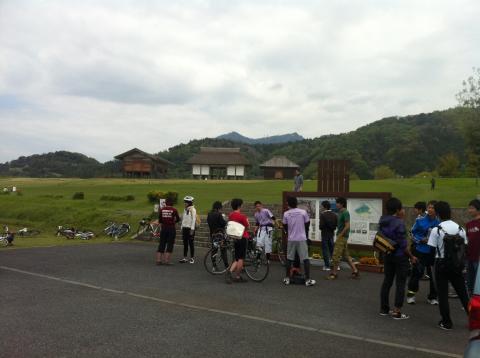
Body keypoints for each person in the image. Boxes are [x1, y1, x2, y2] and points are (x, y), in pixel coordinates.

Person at [427, 201, 469, 330]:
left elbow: (431, 249)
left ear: (438, 214)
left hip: (441, 264)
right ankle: (475, 321)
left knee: (443, 294)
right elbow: (464, 247)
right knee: (463, 294)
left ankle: (446, 322)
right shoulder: (460, 229)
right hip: (457, 264)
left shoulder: (437, 230)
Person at [379, 197, 417, 320]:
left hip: (387, 254)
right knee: (400, 283)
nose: (403, 211)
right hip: (400, 257)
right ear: (397, 209)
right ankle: (397, 311)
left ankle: (384, 309)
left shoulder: (382, 220)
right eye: (402, 209)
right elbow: (403, 245)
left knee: (387, 281)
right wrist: (411, 256)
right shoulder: (399, 223)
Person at [407, 201, 439, 305]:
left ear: (437, 210)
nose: (430, 209)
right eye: (429, 207)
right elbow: (411, 233)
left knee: (433, 275)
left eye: (433, 208)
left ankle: (432, 297)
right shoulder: (420, 220)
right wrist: (420, 240)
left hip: (433, 252)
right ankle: (411, 295)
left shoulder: (439, 223)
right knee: (417, 273)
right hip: (420, 251)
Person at [282, 196, 316, 286]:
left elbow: (285, 226)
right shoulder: (303, 212)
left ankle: (287, 278)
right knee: (305, 259)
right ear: (296, 203)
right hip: (301, 238)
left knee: (289, 258)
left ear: (288, 204)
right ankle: (308, 279)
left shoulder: (286, 214)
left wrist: (291, 231)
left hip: (291, 238)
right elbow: (307, 224)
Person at [327, 197, 359, 279]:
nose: (336, 204)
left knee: (336, 254)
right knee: (346, 255)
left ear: (341, 204)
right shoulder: (340, 212)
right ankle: (355, 271)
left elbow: (347, 226)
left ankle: (334, 273)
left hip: (342, 237)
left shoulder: (345, 212)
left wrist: (340, 235)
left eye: (337, 203)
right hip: (341, 236)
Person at [225, 198, 249, 284]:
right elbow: (247, 226)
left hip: (235, 237)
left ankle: (229, 272)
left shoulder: (231, 215)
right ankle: (238, 276)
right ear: (239, 206)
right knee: (241, 258)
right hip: (242, 237)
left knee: (237, 257)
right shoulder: (242, 216)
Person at [156, 197, 180, 265]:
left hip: (163, 228)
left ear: (166, 203)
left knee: (162, 243)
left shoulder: (162, 209)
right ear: (172, 203)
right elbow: (178, 219)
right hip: (171, 228)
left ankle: (158, 260)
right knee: (170, 244)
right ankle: (167, 261)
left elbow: (160, 220)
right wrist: (173, 221)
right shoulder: (174, 210)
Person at [207, 201, 228, 272]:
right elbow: (223, 223)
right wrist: (225, 220)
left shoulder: (209, 214)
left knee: (214, 250)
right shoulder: (219, 214)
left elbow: (209, 223)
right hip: (220, 235)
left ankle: (214, 266)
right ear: (219, 207)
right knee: (223, 250)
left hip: (213, 234)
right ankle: (226, 266)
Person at [466, 199, 480, 296]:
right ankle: (471, 304)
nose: (469, 210)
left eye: (472, 208)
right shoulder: (469, 224)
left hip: (478, 258)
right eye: (469, 208)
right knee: (470, 283)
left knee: (478, 284)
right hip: (469, 257)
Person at [319, 200, 337, 271]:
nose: (321, 207)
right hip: (331, 234)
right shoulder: (334, 214)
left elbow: (321, 226)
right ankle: (335, 265)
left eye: (322, 206)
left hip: (324, 234)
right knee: (332, 249)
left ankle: (327, 266)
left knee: (325, 250)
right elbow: (335, 225)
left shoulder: (323, 215)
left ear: (324, 207)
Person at [179, 195, 197, 264]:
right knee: (185, 243)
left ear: (190, 202)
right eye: (184, 202)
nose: (185, 203)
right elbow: (184, 219)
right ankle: (185, 257)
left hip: (190, 229)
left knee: (191, 243)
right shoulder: (185, 209)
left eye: (186, 202)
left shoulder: (193, 209)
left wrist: (192, 229)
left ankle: (192, 258)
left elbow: (194, 220)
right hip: (184, 228)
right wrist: (182, 227)